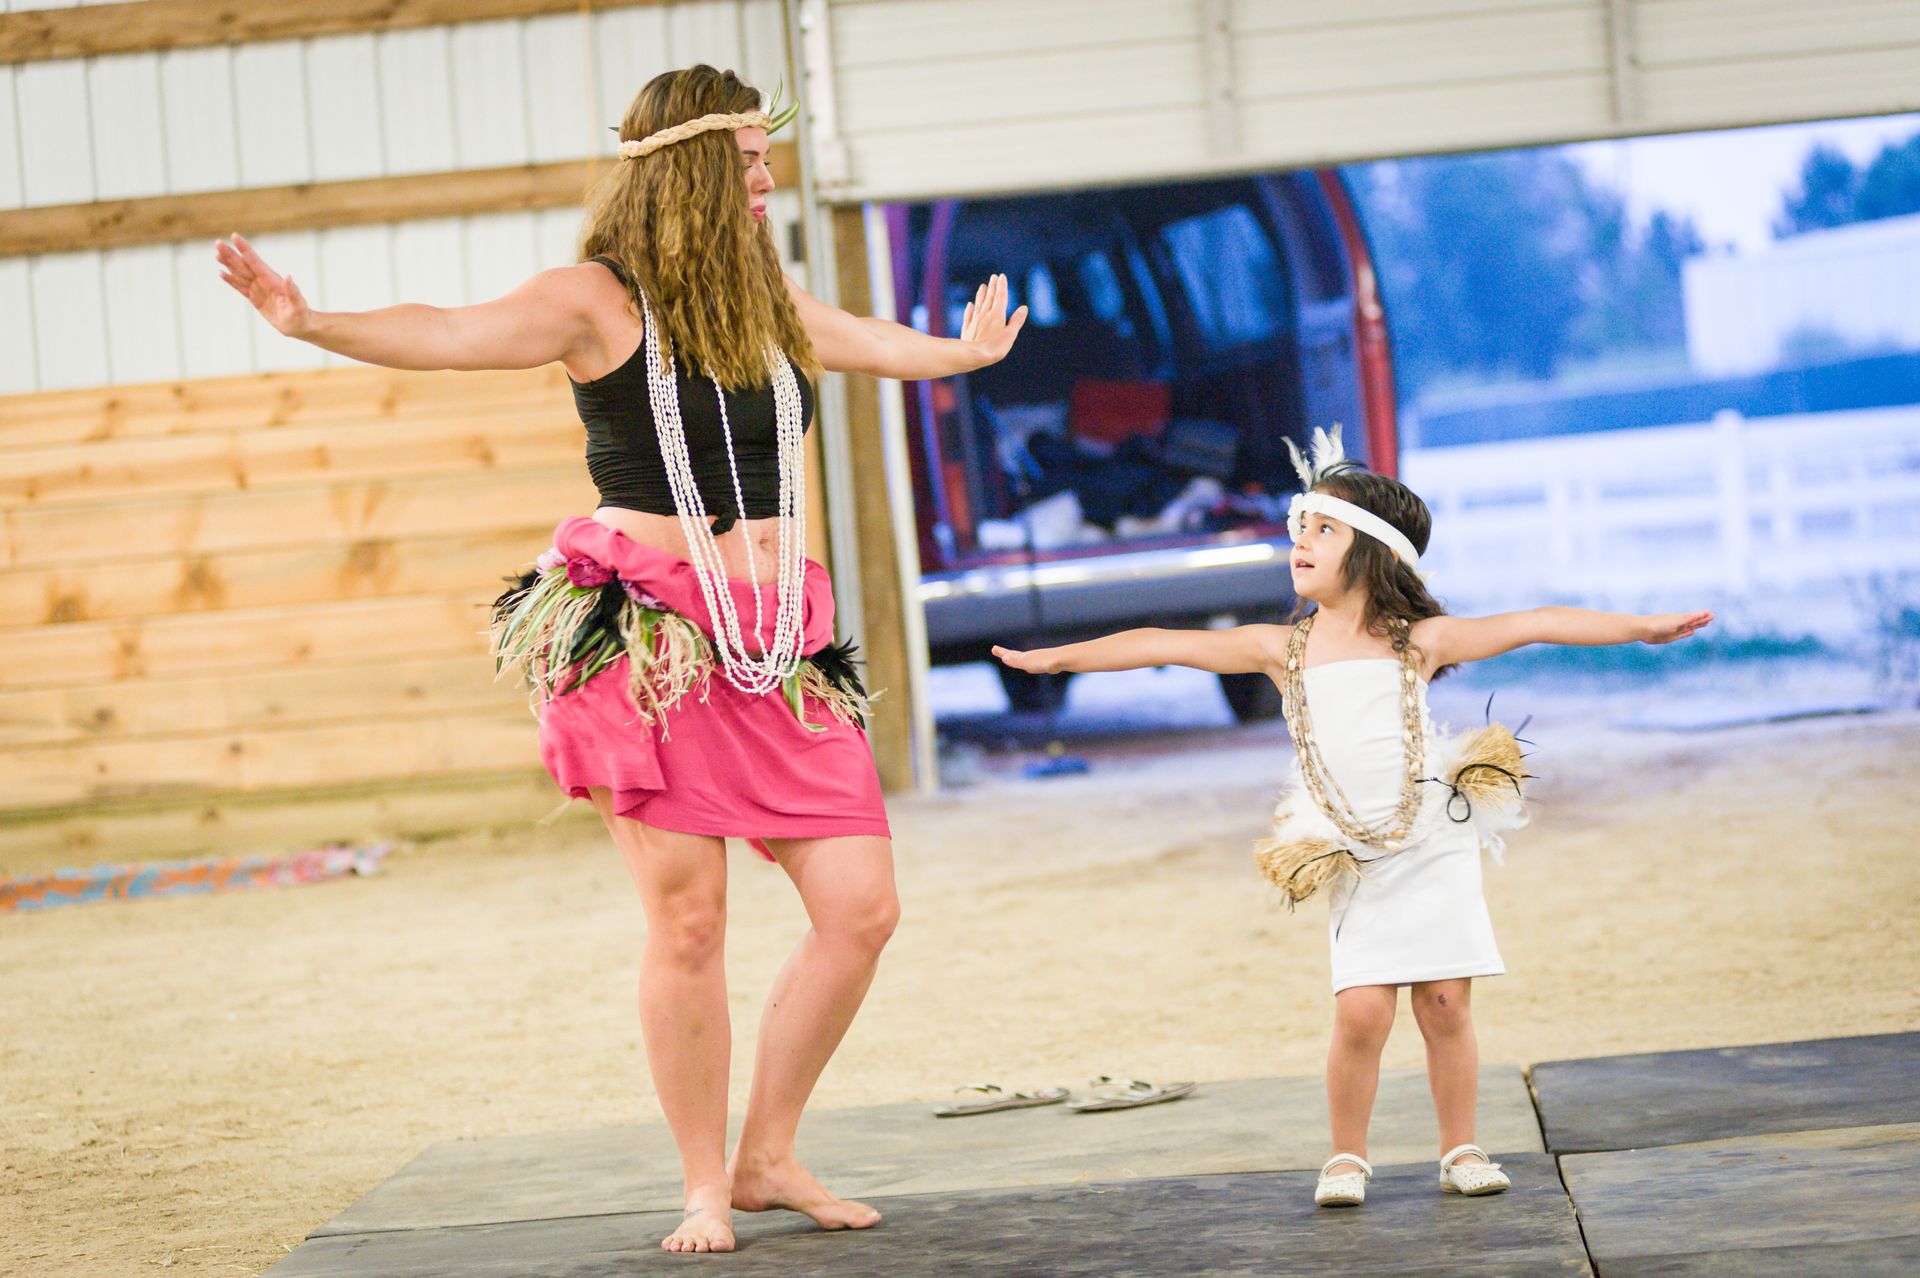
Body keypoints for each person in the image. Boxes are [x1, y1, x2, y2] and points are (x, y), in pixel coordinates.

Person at [217, 64, 1026, 1254]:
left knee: (860, 909)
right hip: (649, 643)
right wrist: (314, 321)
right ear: (696, 168)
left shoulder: (764, 300)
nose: (766, 175)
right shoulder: (595, 301)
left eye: (767, 153)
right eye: (748, 158)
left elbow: (859, 340)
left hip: (772, 642)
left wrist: (960, 357)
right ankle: (705, 1182)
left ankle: (767, 1154)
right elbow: (448, 333)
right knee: (689, 921)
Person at [993, 427, 1711, 1209]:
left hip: (1430, 841)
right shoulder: (1280, 648)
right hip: (1353, 852)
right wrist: (1058, 658)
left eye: (1323, 530)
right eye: (1300, 527)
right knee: (1363, 1013)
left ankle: (1461, 1147)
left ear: (1372, 555)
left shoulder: (1420, 644)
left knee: (1445, 1003)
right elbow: (1168, 642)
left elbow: (1533, 621)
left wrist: (1640, 629)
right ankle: (1346, 1156)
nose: (1300, 542)